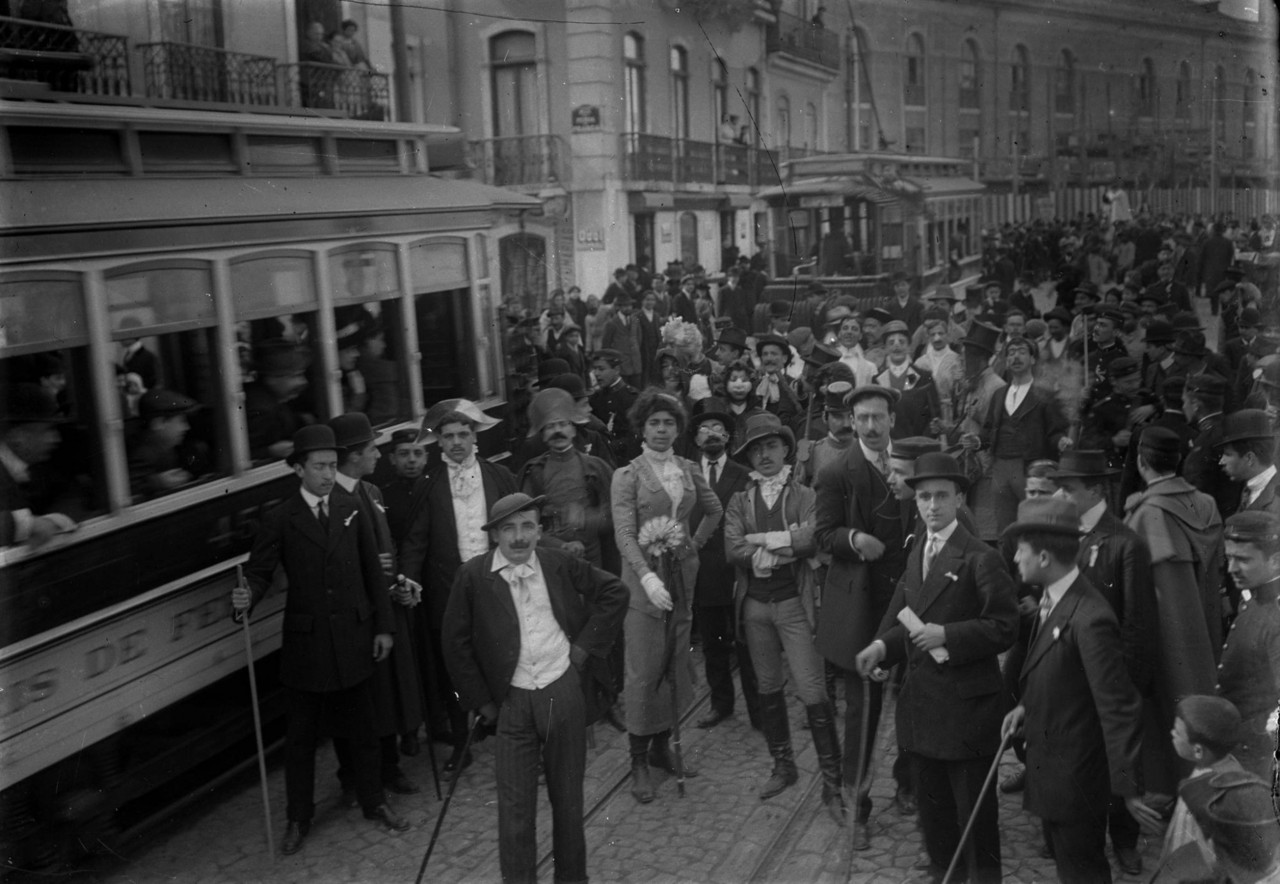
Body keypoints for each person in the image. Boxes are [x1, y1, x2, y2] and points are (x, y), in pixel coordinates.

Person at [231, 425, 409, 855]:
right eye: (319, 467)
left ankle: (374, 802)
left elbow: (373, 571)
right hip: (307, 644)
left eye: (332, 466)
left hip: (354, 635)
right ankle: (298, 818)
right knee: (301, 740)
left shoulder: (353, 505)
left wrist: (383, 627)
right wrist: (246, 598)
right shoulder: (281, 517)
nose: (328, 475)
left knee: (364, 729)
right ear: (297, 469)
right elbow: (259, 572)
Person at [442, 493, 628, 884]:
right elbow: (454, 645)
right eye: (508, 528)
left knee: (567, 805)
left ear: (540, 530)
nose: (519, 537)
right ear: (494, 536)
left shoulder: (557, 562)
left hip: (562, 695)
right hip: (512, 704)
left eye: (527, 526)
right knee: (514, 814)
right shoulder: (473, 576)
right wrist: (482, 702)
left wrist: (581, 651)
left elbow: (614, 592)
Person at [854, 452, 1019, 884]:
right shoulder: (917, 550)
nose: (931, 506)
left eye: (941, 497)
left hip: (967, 713)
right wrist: (879, 646)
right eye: (924, 497)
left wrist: (949, 635)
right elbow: (908, 615)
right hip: (924, 707)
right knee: (934, 811)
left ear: (959, 497)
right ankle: (942, 871)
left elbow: (1004, 627)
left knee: (974, 817)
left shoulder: (981, 556)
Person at [999, 496, 1156, 884]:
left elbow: (1117, 706)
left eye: (1021, 552)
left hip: (1076, 781)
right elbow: (1058, 674)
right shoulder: (1055, 599)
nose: (1016, 561)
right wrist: (1026, 709)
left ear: (1045, 557)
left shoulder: (1090, 618)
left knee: (1082, 871)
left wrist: (1130, 789)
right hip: (1055, 770)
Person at [724, 413, 845, 822]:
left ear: (786, 449)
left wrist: (769, 544)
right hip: (755, 607)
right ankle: (784, 765)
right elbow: (731, 547)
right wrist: (780, 546)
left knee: (812, 688)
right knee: (768, 686)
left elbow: (814, 535)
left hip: (794, 604)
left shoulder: (805, 495)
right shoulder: (741, 500)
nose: (764, 455)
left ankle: (832, 781)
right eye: (756, 450)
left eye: (771, 446)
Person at [610, 390, 722, 804]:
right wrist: (646, 577)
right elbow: (624, 532)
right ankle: (638, 757)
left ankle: (662, 746)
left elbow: (715, 510)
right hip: (643, 583)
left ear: (679, 429)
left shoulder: (688, 468)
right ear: (641, 428)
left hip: (680, 577)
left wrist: (692, 545)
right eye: (654, 423)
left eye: (669, 423)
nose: (661, 430)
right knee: (643, 665)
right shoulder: (628, 475)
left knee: (673, 660)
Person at [815, 385, 918, 828]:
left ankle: (909, 782)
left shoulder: (913, 461)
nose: (872, 427)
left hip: (913, 601)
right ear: (850, 422)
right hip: (864, 605)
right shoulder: (837, 471)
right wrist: (856, 539)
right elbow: (823, 535)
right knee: (863, 708)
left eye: (879, 417)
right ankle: (855, 802)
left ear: (892, 419)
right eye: (862, 419)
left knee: (916, 697)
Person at [1052, 450, 1156, 876]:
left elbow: (1138, 626)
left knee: (1120, 760)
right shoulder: (1061, 535)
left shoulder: (1125, 543)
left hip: (1112, 681)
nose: (1060, 494)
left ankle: (1125, 839)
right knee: (1082, 766)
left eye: (1068, 487)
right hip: (1071, 678)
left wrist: (1126, 688)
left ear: (1094, 490)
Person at [398, 399, 517, 774]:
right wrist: (408, 578)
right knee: (455, 661)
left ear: (475, 436)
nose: (456, 443)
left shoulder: (500, 477)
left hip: (496, 584)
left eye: (463, 434)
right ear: (439, 442)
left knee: (503, 655)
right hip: (448, 588)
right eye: (448, 436)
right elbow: (416, 540)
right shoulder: (429, 484)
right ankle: (460, 740)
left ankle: (511, 729)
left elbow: (519, 532)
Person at [327, 413, 424, 795]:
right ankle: (353, 775)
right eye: (371, 450)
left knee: (388, 693)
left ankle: (389, 766)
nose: (378, 457)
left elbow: (390, 547)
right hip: (357, 615)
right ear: (352, 456)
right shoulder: (334, 498)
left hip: (385, 608)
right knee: (361, 700)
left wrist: (398, 579)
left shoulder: (373, 493)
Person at [1125, 425, 1224, 796]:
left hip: (1170, 637)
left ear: (1140, 462)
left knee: (1167, 704)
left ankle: (1174, 790)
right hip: (1206, 625)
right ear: (1179, 460)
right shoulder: (1207, 503)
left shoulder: (1147, 512)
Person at [1152, 695, 1280, 883]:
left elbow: (1186, 851)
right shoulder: (1231, 767)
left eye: (1177, 733)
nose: (1172, 734)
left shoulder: (1199, 794)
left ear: (1197, 750)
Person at [688, 402, 759, 731]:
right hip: (701, 572)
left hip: (736, 573)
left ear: (729, 438)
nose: (712, 435)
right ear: (696, 439)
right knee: (713, 645)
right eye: (705, 429)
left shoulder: (744, 476)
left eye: (719, 429)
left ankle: (760, 708)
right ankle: (721, 704)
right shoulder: (686, 475)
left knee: (747, 644)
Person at [973, 337, 1072, 530]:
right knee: (1005, 527)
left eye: (1021, 352)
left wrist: (1061, 441)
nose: (1015, 357)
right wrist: (976, 441)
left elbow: (1055, 431)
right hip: (1001, 467)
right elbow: (988, 431)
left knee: (1035, 524)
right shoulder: (999, 394)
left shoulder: (1045, 394)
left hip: (1030, 468)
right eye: (1011, 353)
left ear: (1033, 359)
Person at [516, 388, 614, 568]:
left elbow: (617, 512)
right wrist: (561, 545)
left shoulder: (595, 468)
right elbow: (525, 523)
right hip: (552, 559)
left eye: (563, 424)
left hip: (592, 559)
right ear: (543, 435)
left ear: (573, 430)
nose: (557, 431)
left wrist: (587, 519)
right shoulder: (535, 472)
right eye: (550, 427)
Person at [1216, 511, 1280, 781]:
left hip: (1259, 766)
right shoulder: (1254, 599)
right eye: (1229, 558)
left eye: (1242, 559)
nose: (1231, 569)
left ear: (1275, 560)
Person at [0, 384, 76, 549]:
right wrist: (25, 525)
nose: (56, 439)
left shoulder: (39, 468)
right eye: (48, 430)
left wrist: (53, 520)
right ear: (17, 437)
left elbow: (69, 494)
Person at [127, 388, 202, 500]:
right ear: (159, 423)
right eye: (181, 421)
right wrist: (158, 482)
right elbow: (128, 490)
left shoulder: (167, 447)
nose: (186, 427)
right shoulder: (143, 454)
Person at [244, 339, 311, 462]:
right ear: (272, 378)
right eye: (295, 376)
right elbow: (240, 456)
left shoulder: (273, 398)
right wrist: (270, 451)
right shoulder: (261, 411)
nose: (303, 382)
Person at [1217, 408, 1280, 518]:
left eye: (1228, 454)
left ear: (1249, 458)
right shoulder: (1249, 489)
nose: (1221, 461)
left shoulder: (1276, 502)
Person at [588, 349, 639, 464]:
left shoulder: (631, 398)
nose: (596, 373)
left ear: (616, 370)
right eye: (594, 369)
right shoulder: (596, 398)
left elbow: (635, 436)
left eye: (601, 369)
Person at [600, 295, 643, 390]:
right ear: (618, 307)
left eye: (630, 305)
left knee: (636, 391)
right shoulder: (611, 323)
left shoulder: (635, 320)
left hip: (635, 363)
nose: (628, 308)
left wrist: (635, 351)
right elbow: (606, 346)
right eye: (625, 306)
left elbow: (639, 338)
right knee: (623, 391)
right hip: (621, 365)